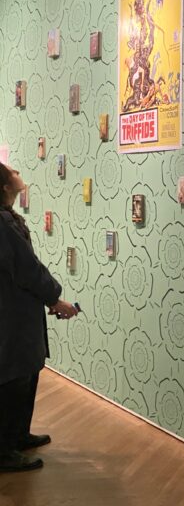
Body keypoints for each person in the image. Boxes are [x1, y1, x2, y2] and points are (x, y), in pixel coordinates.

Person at [0, 163, 78, 472]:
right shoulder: (4, 223)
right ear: (6, 186)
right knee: (14, 379)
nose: (18, 172)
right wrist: (55, 297)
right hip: (12, 317)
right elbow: (28, 268)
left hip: (19, 312)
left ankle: (18, 435)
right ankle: (5, 450)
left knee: (26, 374)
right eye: (12, 172)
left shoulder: (8, 219)